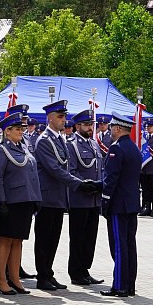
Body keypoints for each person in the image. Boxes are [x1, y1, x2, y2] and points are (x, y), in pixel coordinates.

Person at [32, 100, 95, 291]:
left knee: (53, 239)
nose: (63, 120)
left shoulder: (59, 139)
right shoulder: (43, 140)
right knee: (44, 239)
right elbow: (54, 169)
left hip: (59, 197)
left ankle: (48, 273)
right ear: (50, 118)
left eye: (64, 116)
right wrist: (79, 184)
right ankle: (42, 276)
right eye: (60, 117)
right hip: (47, 197)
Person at [0, 112, 41, 295]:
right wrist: (1, 201)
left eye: (22, 128)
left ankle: (14, 278)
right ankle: (1, 280)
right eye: (17, 129)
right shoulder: (0, 150)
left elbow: (32, 176)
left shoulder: (23, 148)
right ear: (7, 131)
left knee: (18, 241)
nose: (21, 131)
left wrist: (36, 198)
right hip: (10, 201)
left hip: (24, 201)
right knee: (4, 240)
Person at [100, 115, 143, 298]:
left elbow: (111, 180)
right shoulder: (133, 148)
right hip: (131, 204)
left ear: (117, 129)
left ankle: (119, 286)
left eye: (111, 128)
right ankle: (129, 285)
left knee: (118, 247)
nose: (110, 131)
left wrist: (105, 202)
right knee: (129, 246)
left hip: (118, 205)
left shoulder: (116, 149)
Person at [65, 109, 104, 285]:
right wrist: (84, 185)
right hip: (80, 198)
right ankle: (75, 272)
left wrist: (100, 185)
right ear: (77, 126)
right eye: (87, 125)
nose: (90, 128)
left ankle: (85, 269)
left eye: (91, 125)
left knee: (90, 238)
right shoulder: (71, 144)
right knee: (78, 237)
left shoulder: (93, 144)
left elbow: (100, 169)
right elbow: (71, 170)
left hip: (94, 198)